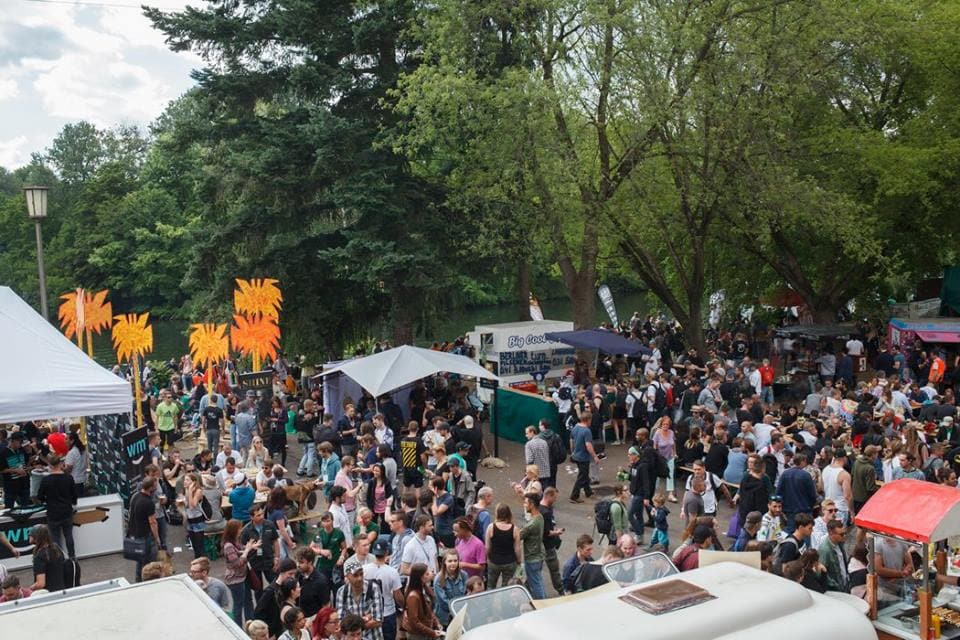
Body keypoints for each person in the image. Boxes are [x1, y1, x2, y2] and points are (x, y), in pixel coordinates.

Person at [37, 453, 78, 559]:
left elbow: (39, 497)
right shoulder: (68, 478)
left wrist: (47, 500)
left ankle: (58, 558)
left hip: (52, 512)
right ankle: (72, 556)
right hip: (66, 511)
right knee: (69, 535)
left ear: (50, 465)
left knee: (55, 538)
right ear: (61, 464)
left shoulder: (46, 480)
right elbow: (74, 495)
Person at [335, 555, 384, 640]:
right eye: (355, 575)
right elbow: (341, 621)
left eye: (361, 574)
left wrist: (353, 625)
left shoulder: (373, 588)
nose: (359, 578)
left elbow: (378, 621)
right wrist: (366, 618)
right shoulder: (342, 592)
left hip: (373, 637)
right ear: (347, 577)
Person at [365, 538, 403, 640]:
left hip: (369, 613)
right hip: (387, 613)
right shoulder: (392, 572)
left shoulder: (364, 569)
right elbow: (398, 596)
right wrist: (404, 606)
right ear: (386, 552)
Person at [222, 518, 258, 624]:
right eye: (239, 529)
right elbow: (237, 563)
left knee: (248, 600)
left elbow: (239, 551)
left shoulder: (235, 542)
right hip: (236, 579)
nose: (241, 531)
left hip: (243, 575)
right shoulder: (228, 546)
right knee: (238, 605)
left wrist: (250, 547)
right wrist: (247, 550)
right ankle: (237, 627)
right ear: (233, 530)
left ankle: (250, 623)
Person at [241, 504, 282, 592]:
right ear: (251, 517)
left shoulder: (269, 525)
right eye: (258, 515)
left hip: (269, 560)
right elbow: (242, 546)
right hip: (255, 562)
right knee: (258, 589)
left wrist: (277, 558)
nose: (262, 517)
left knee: (276, 586)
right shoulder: (246, 530)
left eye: (262, 514)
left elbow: (275, 541)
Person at [129, 475, 161, 582]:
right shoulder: (148, 503)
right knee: (149, 561)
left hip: (135, 534)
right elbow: (152, 522)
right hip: (145, 535)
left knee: (139, 560)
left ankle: (138, 580)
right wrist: (157, 538)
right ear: (151, 487)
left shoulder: (135, 496)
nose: (156, 487)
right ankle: (148, 581)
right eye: (155, 485)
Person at [402, 563, 443, 640]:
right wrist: (432, 633)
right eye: (427, 574)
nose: (431, 574)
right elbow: (414, 622)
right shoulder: (413, 596)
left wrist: (436, 622)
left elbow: (428, 610)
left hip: (425, 631)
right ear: (421, 577)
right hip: (418, 635)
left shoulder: (424, 588)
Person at [484, 502, 521, 588]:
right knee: (506, 587)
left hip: (494, 561)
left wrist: (487, 559)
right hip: (510, 562)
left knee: (491, 585)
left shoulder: (491, 527)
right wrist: (519, 561)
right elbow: (517, 549)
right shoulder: (515, 529)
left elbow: (487, 547)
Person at [519, 492, 546, 599]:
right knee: (538, 580)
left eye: (526, 503)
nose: (524, 505)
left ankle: (541, 604)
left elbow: (518, 536)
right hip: (539, 554)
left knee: (536, 584)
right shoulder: (540, 517)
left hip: (532, 557)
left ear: (532, 504)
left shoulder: (532, 524)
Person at [569, 413, 600, 503]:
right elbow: (588, 445)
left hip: (576, 455)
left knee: (585, 474)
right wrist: (595, 456)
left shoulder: (575, 428)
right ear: (588, 420)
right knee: (582, 477)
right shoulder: (587, 431)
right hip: (584, 457)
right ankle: (574, 495)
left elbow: (571, 440)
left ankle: (588, 492)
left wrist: (572, 452)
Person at [311, 511, 348, 585]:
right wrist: (321, 551)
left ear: (332, 521)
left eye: (328, 521)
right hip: (322, 565)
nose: (326, 524)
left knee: (337, 586)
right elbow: (311, 548)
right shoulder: (318, 534)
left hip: (336, 565)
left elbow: (344, 548)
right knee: (324, 587)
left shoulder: (339, 533)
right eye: (324, 521)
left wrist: (341, 557)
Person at [433, 550, 467, 627]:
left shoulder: (464, 575)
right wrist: (457, 610)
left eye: (455, 561)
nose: (453, 563)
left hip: (461, 614)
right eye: (450, 561)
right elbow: (443, 602)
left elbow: (467, 595)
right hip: (446, 617)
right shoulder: (438, 579)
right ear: (445, 562)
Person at [266, 486, 298, 560]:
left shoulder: (271, 507)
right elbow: (282, 530)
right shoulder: (278, 513)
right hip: (278, 537)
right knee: (283, 557)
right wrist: (291, 543)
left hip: (272, 535)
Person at [0, 432, 30, 508]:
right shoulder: (3, 453)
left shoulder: (22, 450)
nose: (21, 443)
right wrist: (15, 470)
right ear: (13, 441)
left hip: (24, 484)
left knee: (25, 508)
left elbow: (26, 464)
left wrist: (29, 452)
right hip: (11, 486)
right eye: (20, 441)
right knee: (9, 510)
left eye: (22, 441)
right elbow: (1, 470)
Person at [818, 519, 850, 592]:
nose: (844, 536)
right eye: (841, 534)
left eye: (845, 533)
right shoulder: (825, 550)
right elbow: (821, 573)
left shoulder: (840, 543)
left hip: (845, 585)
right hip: (836, 590)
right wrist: (835, 586)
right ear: (831, 533)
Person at [652, 418, 678, 502]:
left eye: (667, 424)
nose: (665, 426)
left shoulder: (671, 433)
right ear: (661, 424)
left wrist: (674, 453)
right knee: (657, 475)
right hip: (660, 457)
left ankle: (670, 494)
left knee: (670, 474)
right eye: (664, 424)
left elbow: (673, 444)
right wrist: (655, 456)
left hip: (669, 456)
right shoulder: (657, 433)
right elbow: (654, 445)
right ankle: (654, 492)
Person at [63, 431, 89, 496]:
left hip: (75, 481)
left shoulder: (72, 452)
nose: (64, 441)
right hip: (82, 479)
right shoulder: (83, 450)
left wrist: (60, 468)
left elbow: (68, 469)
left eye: (66, 439)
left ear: (72, 441)